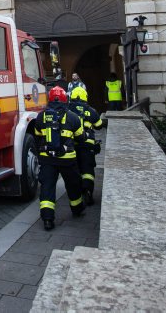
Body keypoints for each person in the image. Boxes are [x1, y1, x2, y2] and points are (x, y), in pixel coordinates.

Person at [30, 86, 86, 231]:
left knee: (47, 187)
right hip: (67, 159)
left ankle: (48, 219)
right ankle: (77, 209)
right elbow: (81, 138)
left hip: (47, 158)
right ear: (64, 99)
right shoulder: (73, 117)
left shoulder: (41, 116)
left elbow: (37, 135)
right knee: (73, 184)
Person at [68, 83, 105, 206]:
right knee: (88, 170)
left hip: (72, 145)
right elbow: (99, 126)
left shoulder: (67, 110)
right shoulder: (90, 110)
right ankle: (88, 190)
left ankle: (77, 194)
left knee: (76, 169)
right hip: (87, 145)